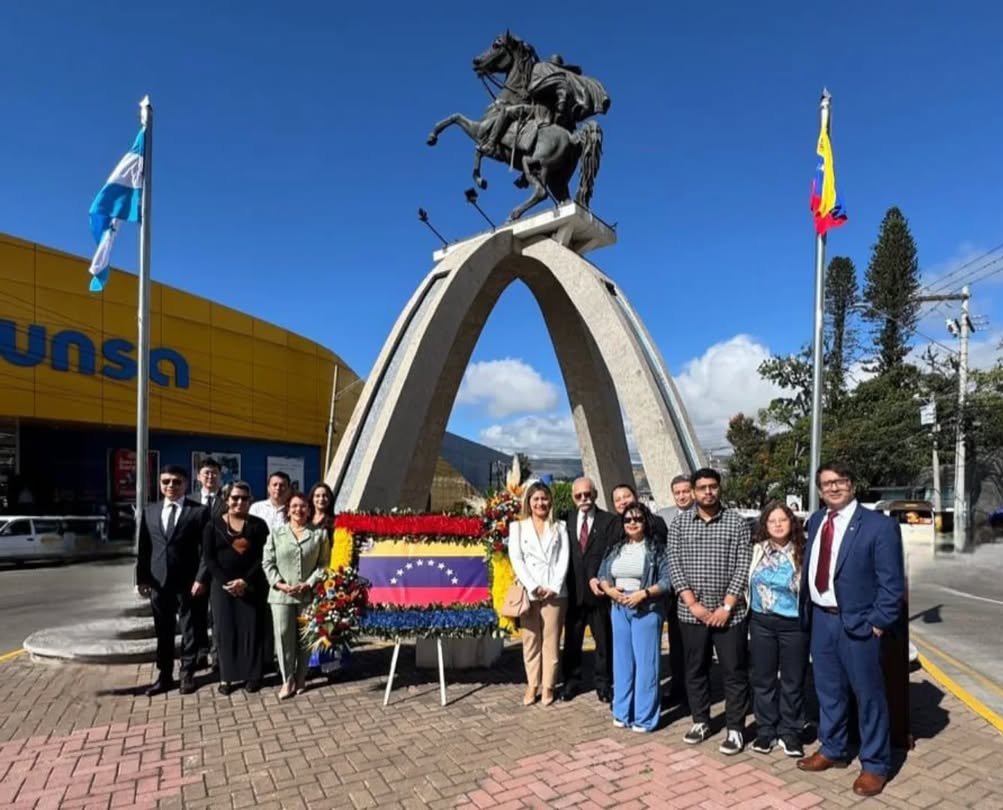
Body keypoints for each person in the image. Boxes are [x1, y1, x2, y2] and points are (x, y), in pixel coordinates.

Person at [796, 462, 905, 798]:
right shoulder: (816, 520)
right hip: (821, 620)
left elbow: (892, 584)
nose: (833, 488)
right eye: (826, 483)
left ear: (852, 485)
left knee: (869, 696)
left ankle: (874, 764)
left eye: (840, 481)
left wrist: (877, 622)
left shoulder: (879, 526)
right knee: (829, 691)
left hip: (858, 624)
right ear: (819, 489)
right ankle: (833, 748)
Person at [667, 467, 752, 755]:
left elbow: (743, 565)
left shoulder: (737, 523)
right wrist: (694, 605)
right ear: (692, 491)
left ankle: (735, 728)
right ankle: (701, 720)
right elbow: (674, 565)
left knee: (734, 670)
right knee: (695, 669)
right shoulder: (679, 526)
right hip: (692, 614)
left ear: (719, 488)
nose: (707, 492)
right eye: (701, 487)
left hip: (731, 614)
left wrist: (726, 606)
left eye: (712, 486)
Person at [135, 465, 209, 696]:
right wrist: (142, 578)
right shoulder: (150, 511)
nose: (171, 486)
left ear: (186, 484)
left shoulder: (198, 511)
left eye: (176, 481)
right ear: (160, 483)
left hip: (188, 583)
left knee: (189, 630)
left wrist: (201, 578)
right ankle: (164, 675)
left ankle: (187, 674)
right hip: (159, 583)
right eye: (166, 481)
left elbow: (206, 550)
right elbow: (144, 547)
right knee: (163, 632)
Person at [597, 503, 670, 733]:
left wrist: (644, 593)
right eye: (628, 519)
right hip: (618, 608)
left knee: (646, 664)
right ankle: (622, 712)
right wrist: (608, 590)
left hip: (646, 608)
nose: (632, 523)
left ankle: (644, 717)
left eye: (637, 519)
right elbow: (602, 574)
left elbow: (668, 581)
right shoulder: (615, 548)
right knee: (622, 663)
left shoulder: (656, 549)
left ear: (645, 521)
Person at [747, 502, 809, 758]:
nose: (778, 525)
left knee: (793, 681)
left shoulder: (803, 551)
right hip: (761, 622)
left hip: (794, 625)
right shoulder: (757, 550)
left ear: (791, 522)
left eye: (782, 520)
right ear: (765, 525)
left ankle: (790, 731)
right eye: (772, 521)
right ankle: (765, 731)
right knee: (763, 680)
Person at [202, 481, 270, 695]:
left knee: (251, 630)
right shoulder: (212, 525)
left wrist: (245, 581)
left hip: (251, 586)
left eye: (244, 498)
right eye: (235, 498)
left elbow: (263, 557)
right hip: (222, 588)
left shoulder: (259, 525)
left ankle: (253, 675)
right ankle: (227, 677)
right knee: (225, 631)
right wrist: (226, 582)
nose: (239, 502)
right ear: (227, 499)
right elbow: (209, 557)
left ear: (250, 501)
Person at [262, 492, 331, 699]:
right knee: (283, 635)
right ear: (288, 510)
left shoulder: (319, 535)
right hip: (280, 596)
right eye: (294, 506)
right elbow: (268, 562)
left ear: (309, 510)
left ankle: (301, 676)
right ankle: (287, 679)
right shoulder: (276, 533)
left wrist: (309, 583)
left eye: (302, 506)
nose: (298, 510)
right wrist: (279, 584)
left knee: (305, 637)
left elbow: (324, 565)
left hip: (307, 595)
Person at [508, 481, 570, 707]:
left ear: (550, 501)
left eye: (544, 498)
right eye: (536, 499)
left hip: (555, 592)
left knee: (551, 641)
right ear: (529, 502)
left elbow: (564, 558)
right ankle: (532, 684)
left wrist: (554, 585)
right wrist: (533, 585)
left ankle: (548, 686)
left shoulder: (560, 527)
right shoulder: (518, 527)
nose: (540, 503)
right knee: (531, 641)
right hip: (529, 591)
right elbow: (517, 559)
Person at [560, 476, 618, 703]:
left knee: (604, 642)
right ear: (573, 498)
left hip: (599, 594)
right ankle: (571, 682)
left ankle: (603, 684)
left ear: (594, 494)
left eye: (587, 494)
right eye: (578, 495)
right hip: (573, 593)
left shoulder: (609, 521)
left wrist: (602, 580)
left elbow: (612, 553)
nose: (584, 499)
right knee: (572, 642)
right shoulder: (565, 520)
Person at [192, 457, 227, 671]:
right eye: (206, 473)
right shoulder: (190, 501)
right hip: (193, 568)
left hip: (217, 567)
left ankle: (217, 655)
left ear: (220, 477)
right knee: (196, 614)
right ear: (198, 477)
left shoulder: (226, 502)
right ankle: (200, 653)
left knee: (216, 615)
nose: (210, 477)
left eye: (214, 473)